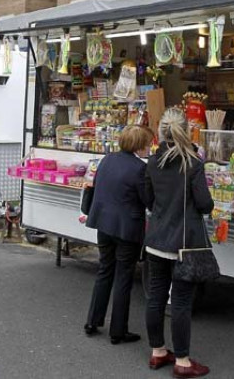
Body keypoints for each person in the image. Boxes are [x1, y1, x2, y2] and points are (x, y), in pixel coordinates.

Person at [143, 108, 214, 378]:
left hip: (156, 239)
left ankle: (158, 351)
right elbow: (205, 204)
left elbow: (148, 200)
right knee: (181, 302)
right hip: (183, 243)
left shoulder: (152, 162)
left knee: (156, 296)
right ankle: (182, 360)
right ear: (186, 131)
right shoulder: (193, 164)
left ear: (161, 131)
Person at [84, 125, 154, 344]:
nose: (148, 148)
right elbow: (148, 201)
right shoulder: (139, 169)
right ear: (139, 145)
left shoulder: (107, 160)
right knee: (123, 277)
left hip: (103, 223)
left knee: (105, 270)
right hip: (126, 228)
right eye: (146, 144)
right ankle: (118, 330)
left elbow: (97, 187)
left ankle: (93, 321)